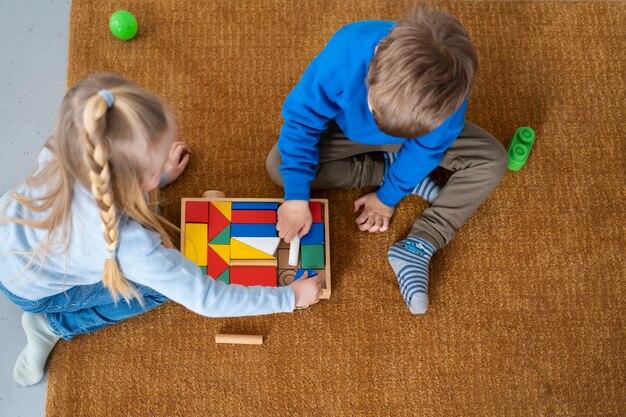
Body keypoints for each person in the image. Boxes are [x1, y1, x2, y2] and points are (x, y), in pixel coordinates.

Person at [0, 73, 322, 386]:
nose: (161, 169)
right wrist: (288, 297)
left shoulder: (68, 141)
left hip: (10, 245)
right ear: (133, 183)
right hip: (36, 293)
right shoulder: (133, 247)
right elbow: (207, 298)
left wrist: (159, 174)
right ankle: (51, 325)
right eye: (155, 168)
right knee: (157, 290)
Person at [266, 7, 507, 314]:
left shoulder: (445, 109)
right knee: (279, 166)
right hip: (345, 128)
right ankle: (386, 167)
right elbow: (302, 122)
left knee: (493, 160)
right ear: (377, 54)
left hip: (418, 136)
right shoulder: (346, 52)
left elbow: (425, 151)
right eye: (375, 109)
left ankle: (420, 243)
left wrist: (387, 198)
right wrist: (297, 198)